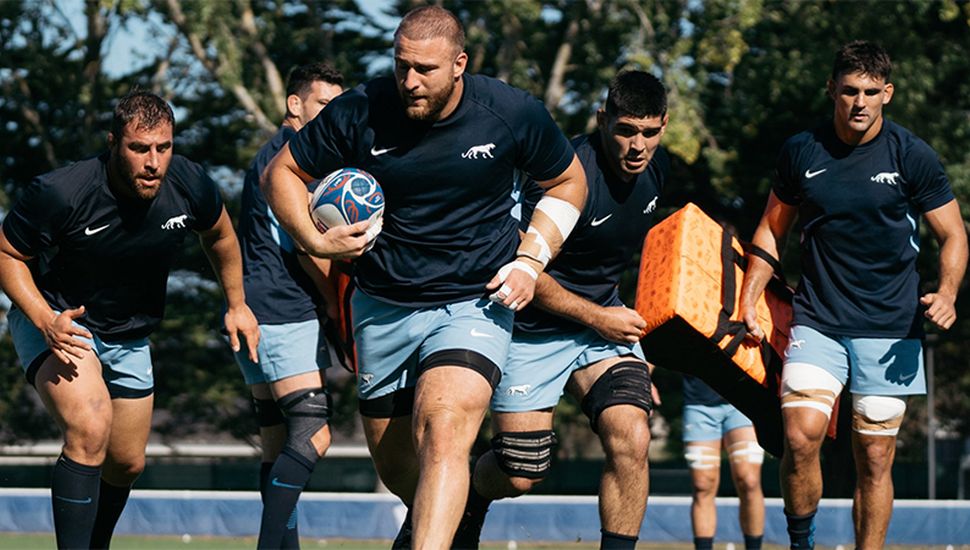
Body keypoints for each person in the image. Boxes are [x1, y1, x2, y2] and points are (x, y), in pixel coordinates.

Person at [261, 6, 587, 549]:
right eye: (401, 65)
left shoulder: (510, 113)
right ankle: (450, 526)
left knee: (443, 431)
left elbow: (568, 181)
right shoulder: (360, 109)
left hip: (473, 303)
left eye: (425, 69)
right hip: (382, 306)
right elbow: (284, 174)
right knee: (399, 470)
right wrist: (316, 241)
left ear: (459, 64)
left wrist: (532, 259)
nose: (410, 81)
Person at [0, 90, 260, 549]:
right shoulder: (62, 191)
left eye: (164, 147)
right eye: (139, 148)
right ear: (113, 143)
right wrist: (43, 317)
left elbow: (220, 234)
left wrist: (237, 304)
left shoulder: (190, 184)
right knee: (89, 426)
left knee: (126, 463)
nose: (153, 161)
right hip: (62, 323)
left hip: (130, 334)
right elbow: (6, 252)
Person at [739, 41, 968, 549]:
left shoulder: (912, 155)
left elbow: (953, 234)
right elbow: (771, 231)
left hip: (891, 330)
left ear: (887, 93)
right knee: (799, 439)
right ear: (832, 91)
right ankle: (802, 543)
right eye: (849, 91)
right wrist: (750, 297)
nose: (859, 102)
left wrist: (948, 292)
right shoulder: (802, 150)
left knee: (875, 458)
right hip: (817, 319)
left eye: (870, 92)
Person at [464, 70, 669, 550]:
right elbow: (522, 270)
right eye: (625, 130)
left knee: (632, 436)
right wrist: (600, 318)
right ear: (602, 120)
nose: (637, 145)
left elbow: (651, 255)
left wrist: (650, 330)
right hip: (532, 331)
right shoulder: (563, 174)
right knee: (520, 472)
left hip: (603, 329)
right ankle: (467, 494)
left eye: (650, 132)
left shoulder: (659, 172)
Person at [233, 62, 344, 549]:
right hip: (283, 311)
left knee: (278, 447)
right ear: (294, 106)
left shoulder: (270, 156)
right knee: (314, 434)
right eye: (323, 105)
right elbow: (306, 248)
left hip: (257, 309)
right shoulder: (286, 161)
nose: (331, 116)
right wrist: (341, 313)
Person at [682, 375, 764, 550]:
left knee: (749, 481)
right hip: (698, 404)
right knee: (702, 484)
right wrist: (646, 379)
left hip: (744, 402)